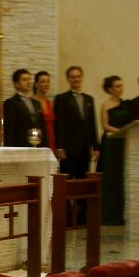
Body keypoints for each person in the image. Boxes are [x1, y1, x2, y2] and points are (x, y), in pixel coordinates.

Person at [54, 66, 99, 225]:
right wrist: (60, 147)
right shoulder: (61, 99)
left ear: (82, 77)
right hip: (68, 149)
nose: (76, 79)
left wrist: (96, 146)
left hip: (84, 149)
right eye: (73, 77)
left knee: (82, 183)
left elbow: (93, 124)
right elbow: (59, 125)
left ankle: (81, 217)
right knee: (67, 183)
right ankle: (66, 217)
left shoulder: (89, 99)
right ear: (68, 79)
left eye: (78, 76)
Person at [96, 76, 132, 225]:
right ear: (110, 89)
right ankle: (109, 215)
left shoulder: (126, 104)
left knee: (123, 176)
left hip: (124, 141)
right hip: (111, 142)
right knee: (111, 176)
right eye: (117, 86)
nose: (121, 89)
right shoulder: (106, 104)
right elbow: (105, 125)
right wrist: (121, 131)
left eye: (121, 86)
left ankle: (123, 214)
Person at [3, 68, 47, 147]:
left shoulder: (36, 103)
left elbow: (43, 127)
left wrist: (45, 147)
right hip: (19, 145)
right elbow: (9, 129)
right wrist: (9, 148)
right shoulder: (11, 103)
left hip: (37, 145)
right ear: (16, 84)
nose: (29, 82)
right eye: (24, 80)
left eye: (29, 79)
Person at [33, 70, 56, 151]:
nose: (46, 84)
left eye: (48, 81)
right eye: (43, 82)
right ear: (36, 84)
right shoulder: (31, 102)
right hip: (37, 139)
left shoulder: (51, 103)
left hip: (51, 139)